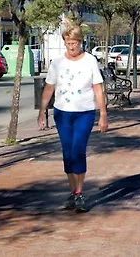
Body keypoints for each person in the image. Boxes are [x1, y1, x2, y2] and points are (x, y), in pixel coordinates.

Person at [38, 25, 108, 213]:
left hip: (84, 112)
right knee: (67, 153)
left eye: (74, 43)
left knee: (78, 150)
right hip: (62, 113)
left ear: (80, 42)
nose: (71, 47)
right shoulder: (57, 62)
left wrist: (103, 114)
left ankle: (80, 192)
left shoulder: (90, 60)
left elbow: (98, 89)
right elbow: (49, 88)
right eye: (68, 43)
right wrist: (42, 111)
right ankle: (73, 192)